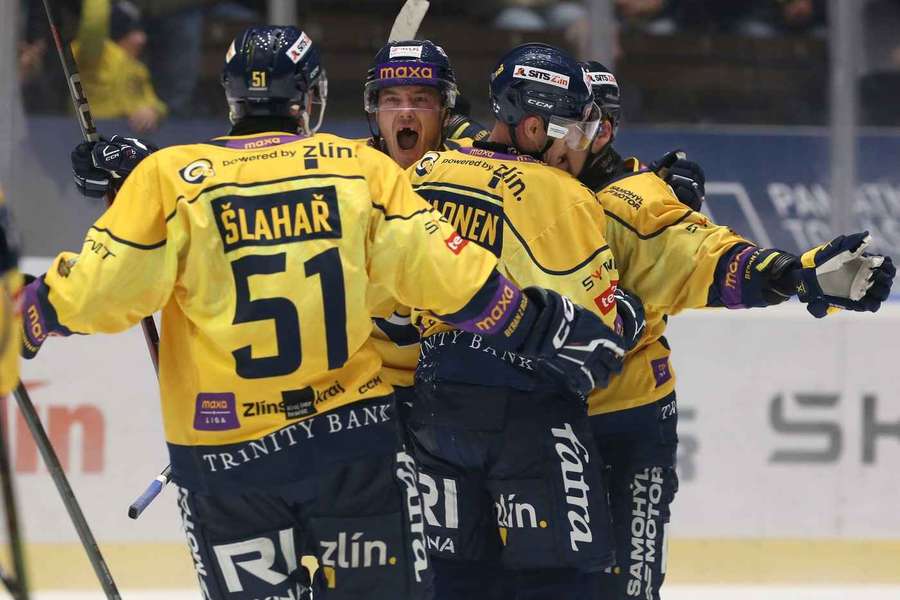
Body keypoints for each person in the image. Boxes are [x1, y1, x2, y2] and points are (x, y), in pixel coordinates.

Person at [23, 26, 622, 600]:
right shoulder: (361, 170)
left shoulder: (170, 178)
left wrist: (31, 310)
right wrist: (543, 327)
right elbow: (451, 277)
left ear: (230, 96)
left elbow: (97, 292)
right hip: (351, 445)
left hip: (226, 454)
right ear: (313, 98)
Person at [566, 61, 896, 600]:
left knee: (625, 585)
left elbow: (701, 254)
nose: (581, 133)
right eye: (568, 118)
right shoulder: (515, 176)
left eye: (595, 122)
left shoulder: (637, 200)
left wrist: (794, 274)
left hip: (624, 416)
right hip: (530, 414)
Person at [403, 43, 646, 600]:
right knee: (566, 580)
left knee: (456, 580)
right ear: (533, 127)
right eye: (571, 131)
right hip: (528, 408)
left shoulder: (430, 168)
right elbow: (601, 337)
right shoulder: (559, 194)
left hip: (434, 403)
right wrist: (630, 310)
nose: (577, 148)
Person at [72, 0, 167, 132]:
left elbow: (155, 102)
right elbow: (94, 25)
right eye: (133, 32)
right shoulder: (93, 55)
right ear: (117, 33)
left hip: (128, 138)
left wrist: (152, 111)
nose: (142, 39)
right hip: (91, 135)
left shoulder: (138, 68)